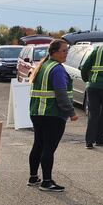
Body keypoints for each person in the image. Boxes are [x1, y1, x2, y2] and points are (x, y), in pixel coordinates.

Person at [27, 39, 78, 192]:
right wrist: (71, 112)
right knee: (48, 148)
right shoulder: (57, 69)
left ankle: (33, 177)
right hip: (52, 114)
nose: (66, 54)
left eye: (67, 51)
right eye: (63, 51)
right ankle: (47, 182)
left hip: (37, 112)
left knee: (38, 145)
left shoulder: (43, 65)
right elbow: (61, 94)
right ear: (54, 52)